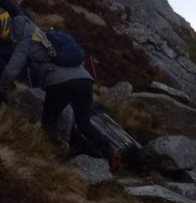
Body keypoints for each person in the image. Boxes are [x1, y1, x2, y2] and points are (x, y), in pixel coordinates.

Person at [0, 12, 119, 170]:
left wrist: (2, 90)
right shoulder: (45, 35)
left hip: (61, 84)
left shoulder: (26, 41)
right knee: (84, 122)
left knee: (49, 122)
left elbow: (10, 72)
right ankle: (109, 153)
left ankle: (55, 155)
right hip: (85, 81)